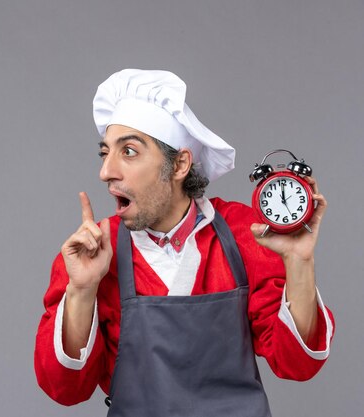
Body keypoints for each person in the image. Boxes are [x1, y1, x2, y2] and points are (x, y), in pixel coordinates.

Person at [34, 69, 335, 416]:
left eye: (128, 151)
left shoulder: (242, 234)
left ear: (179, 164)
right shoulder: (94, 255)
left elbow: (297, 364)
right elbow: (65, 389)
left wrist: (299, 262)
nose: (106, 171)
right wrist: (83, 290)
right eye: (106, 153)